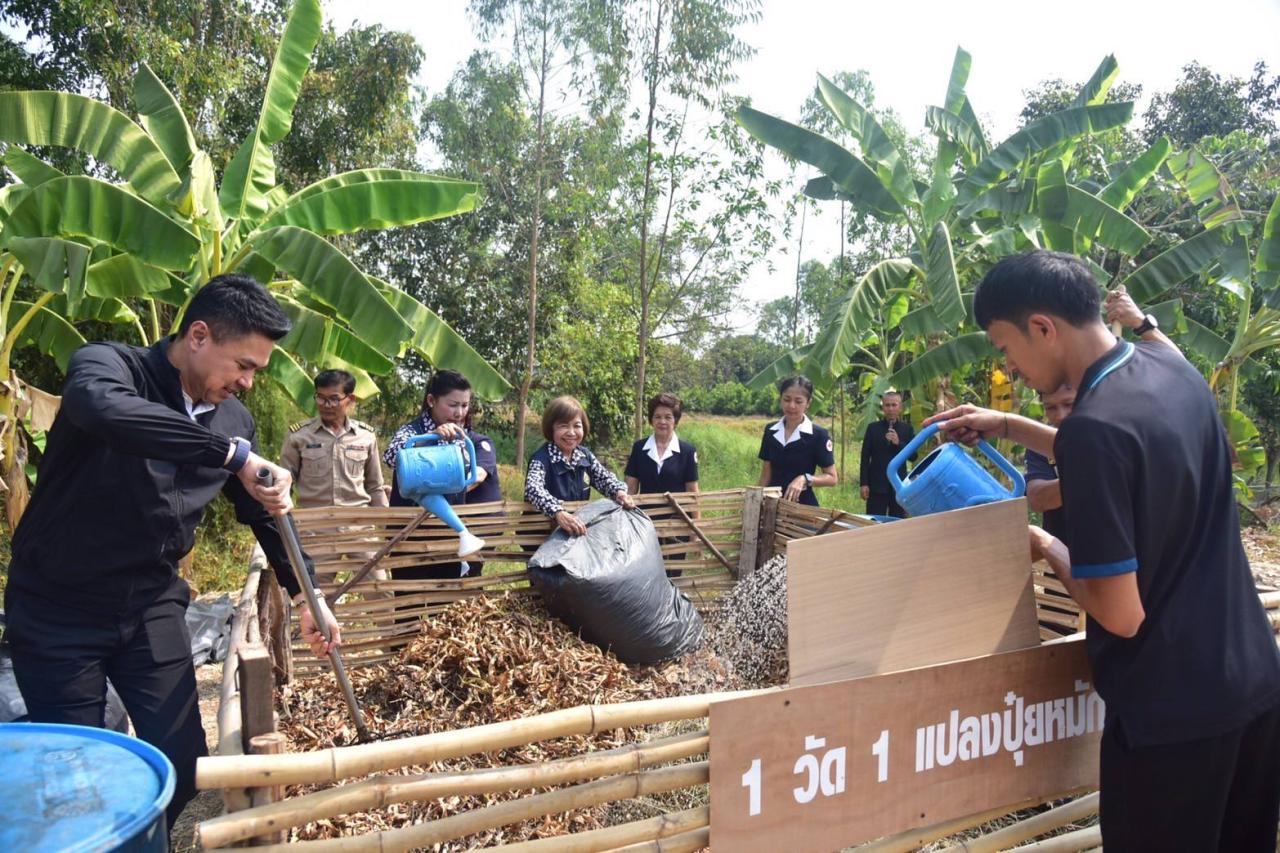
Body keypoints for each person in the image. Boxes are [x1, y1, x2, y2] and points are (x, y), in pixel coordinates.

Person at [924, 250, 1280, 852]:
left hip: (1173, 718)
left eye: (1005, 346)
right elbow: (1127, 447)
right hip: (1253, 686)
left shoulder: (1094, 431)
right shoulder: (1173, 369)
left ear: (1043, 327)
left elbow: (1121, 613)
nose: (1007, 365)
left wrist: (1046, 544)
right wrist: (1007, 426)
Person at [3, 275, 341, 828]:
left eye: (257, 369)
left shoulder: (234, 420)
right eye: (245, 365)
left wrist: (311, 594)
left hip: (152, 605)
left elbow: (263, 514)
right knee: (77, 772)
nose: (249, 383)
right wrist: (231, 455)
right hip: (58, 607)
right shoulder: (110, 368)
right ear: (199, 335)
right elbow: (102, 410)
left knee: (184, 762)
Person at [281, 368, 391, 599]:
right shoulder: (299, 437)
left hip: (359, 526)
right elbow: (283, 485)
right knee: (316, 593)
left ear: (349, 400)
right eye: (320, 397)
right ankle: (318, 635)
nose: (326, 404)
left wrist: (387, 526)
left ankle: (386, 634)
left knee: (379, 589)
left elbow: (375, 487)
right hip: (316, 528)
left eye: (333, 399)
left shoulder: (366, 437)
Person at [382, 369, 501, 580]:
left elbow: (474, 477)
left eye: (465, 405)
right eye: (453, 405)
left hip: (449, 535)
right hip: (410, 533)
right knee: (409, 602)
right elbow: (391, 456)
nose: (459, 412)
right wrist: (429, 437)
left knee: (448, 603)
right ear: (431, 400)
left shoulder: (467, 440)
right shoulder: (412, 431)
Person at [525, 395, 635, 536]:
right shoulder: (541, 459)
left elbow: (604, 478)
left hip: (574, 532)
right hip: (541, 536)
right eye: (563, 426)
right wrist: (558, 512)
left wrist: (619, 492)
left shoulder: (584, 456)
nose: (571, 432)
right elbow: (533, 489)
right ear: (551, 428)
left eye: (577, 425)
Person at [757, 376, 837, 506]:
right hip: (772, 506)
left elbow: (832, 478)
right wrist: (756, 501)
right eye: (787, 399)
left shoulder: (818, 435)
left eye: (798, 401)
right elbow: (766, 474)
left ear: (808, 403)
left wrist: (805, 479)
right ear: (780, 399)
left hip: (802, 508)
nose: (791, 406)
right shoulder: (770, 431)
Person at [1023, 383, 1075, 539]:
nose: (1061, 415)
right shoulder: (1038, 443)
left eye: (1069, 404)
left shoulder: (1108, 435)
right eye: (1051, 408)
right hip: (1061, 548)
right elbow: (1037, 499)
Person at [624, 393, 700, 496]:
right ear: (651, 420)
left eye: (668, 417)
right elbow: (630, 489)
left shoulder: (687, 451)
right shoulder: (639, 448)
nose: (662, 421)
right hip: (645, 512)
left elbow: (692, 492)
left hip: (677, 511)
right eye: (657, 417)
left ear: (675, 421)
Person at [858, 390, 915, 517]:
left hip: (898, 486)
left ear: (900, 407)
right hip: (876, 486)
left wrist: (898, 443)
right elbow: (865, 457)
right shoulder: (873, 428)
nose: (890, 409)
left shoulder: (907, 429)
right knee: (873, 523)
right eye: (887, 405)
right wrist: (864, 484)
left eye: (894, 405)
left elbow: (913, 456)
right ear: (882, 407)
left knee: (897, 523)